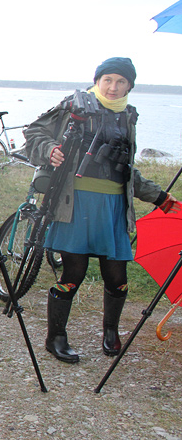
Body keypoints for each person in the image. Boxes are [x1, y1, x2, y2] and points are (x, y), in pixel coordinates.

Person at [24, 57, 180, 364]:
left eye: (121, 82)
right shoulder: (76, 106)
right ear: (97, 80)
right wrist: (49, 150)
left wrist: (160, 197)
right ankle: (55, 337)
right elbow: (34, 132)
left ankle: (110, 332)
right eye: (107, 79)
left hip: (113, 208)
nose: (113, 87)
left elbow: (127, 170)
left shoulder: (128, 116)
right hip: (76, 204)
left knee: (117, 276)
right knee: (73, 273)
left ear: (130, 86)